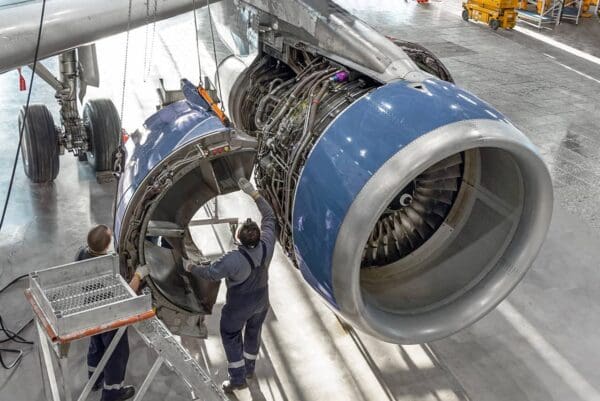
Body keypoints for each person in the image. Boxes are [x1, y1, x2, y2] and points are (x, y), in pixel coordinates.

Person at [183, 178, 278, 393]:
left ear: (239, 238)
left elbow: (210, 273)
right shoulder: (267, 245)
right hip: (262, 301)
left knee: (230, 334)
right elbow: (270, 217)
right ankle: (250, 368)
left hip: (239, 307)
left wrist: (190, 267)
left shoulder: (232, 259)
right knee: (254, 332)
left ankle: (237, 379)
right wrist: (254, 194)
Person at [76, 224, 149, 401]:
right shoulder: (108, 267)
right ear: (107, 246)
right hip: (110, 313)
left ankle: (95, 379)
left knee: (96, 345)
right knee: (117, 353)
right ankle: (112, 392)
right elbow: (127, 293)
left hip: (92, 311)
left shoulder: (81, 253)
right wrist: (139, 275)